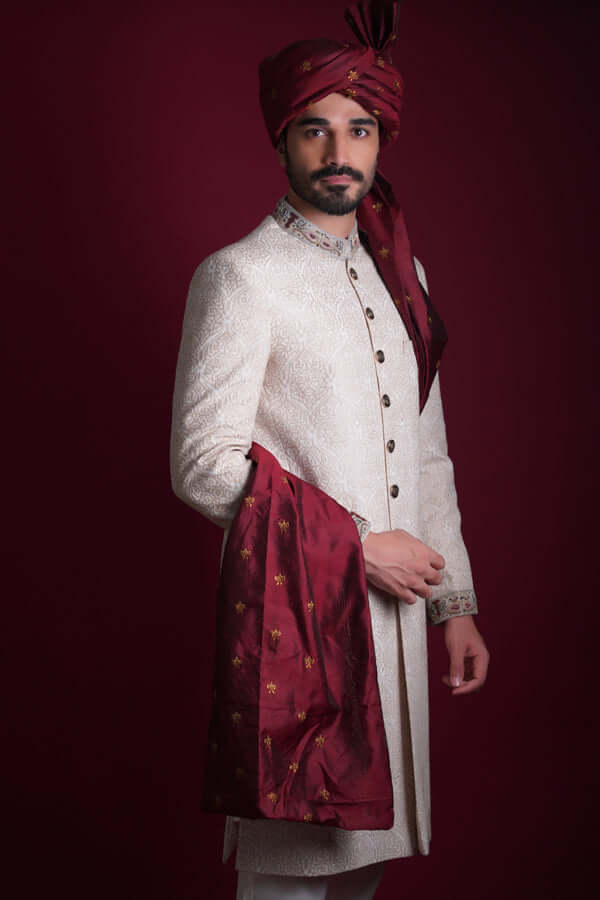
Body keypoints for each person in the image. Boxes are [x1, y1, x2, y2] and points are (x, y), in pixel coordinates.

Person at [169, 1, 490, 897]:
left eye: (360, 129)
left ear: (382, 141)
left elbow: (427, 453)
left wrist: (454, 604)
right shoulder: (242, 277)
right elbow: (201, 464)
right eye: (315, 129)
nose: (339, 151)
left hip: (396, 632)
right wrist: (358, 545)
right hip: (299, 630)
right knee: (291, 878)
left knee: (361, 876)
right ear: (282, 141)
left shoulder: (403, 276)